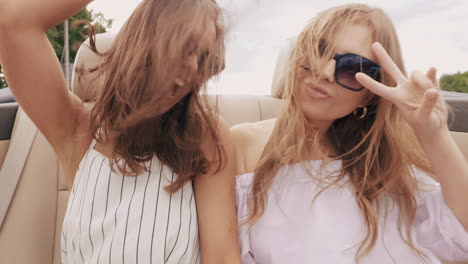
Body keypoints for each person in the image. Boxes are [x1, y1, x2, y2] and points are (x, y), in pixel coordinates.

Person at [0, 0, 241, 263]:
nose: (195, 67)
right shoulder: (77, 130)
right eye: (185, 47)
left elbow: (221, 255)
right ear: (146, 39)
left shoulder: (205, 137)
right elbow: (12, 20)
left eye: (203, 57)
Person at [235, 4, 468, 263]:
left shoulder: (389, 167)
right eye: (319, 50)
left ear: (369, 95)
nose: (325, 73)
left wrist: (435, 136)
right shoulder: (242, 145)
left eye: (353, 68)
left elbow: (460, 234)